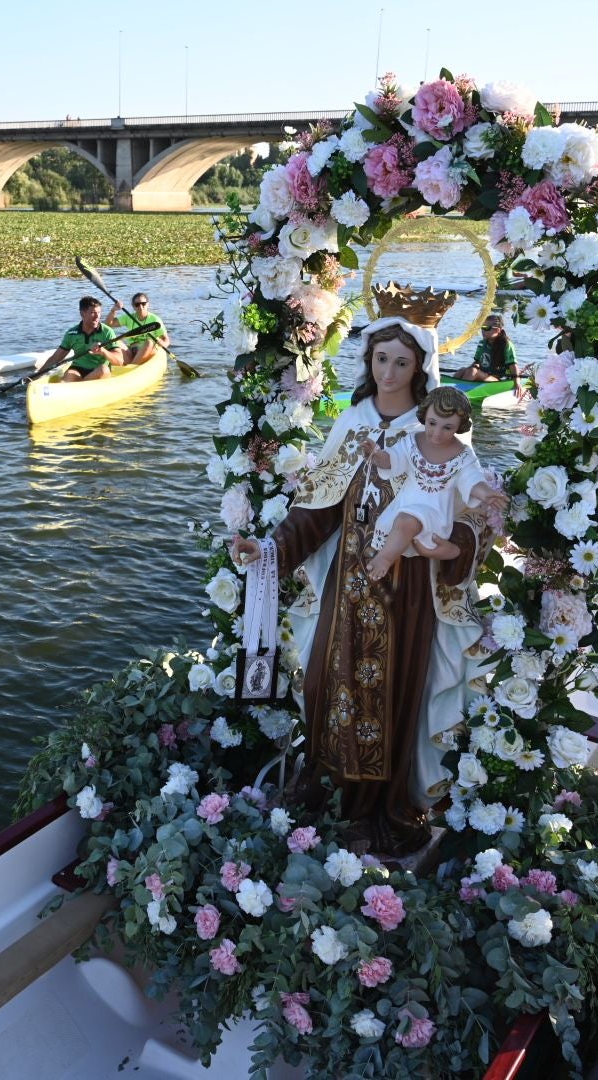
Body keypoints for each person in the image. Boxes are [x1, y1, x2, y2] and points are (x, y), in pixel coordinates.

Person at [227, 316, 497, 856]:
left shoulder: (434, 436)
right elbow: (317, 510)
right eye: (381, 359)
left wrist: (456, 544)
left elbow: (470, 511)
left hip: (407, 593)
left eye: (402, 361)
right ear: (367, 361)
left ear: (420, 367)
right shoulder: (351, 424)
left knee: (391, 694)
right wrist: (271, 549)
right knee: (328, 687)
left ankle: (380, 807)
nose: (389, 371)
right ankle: (329, 790)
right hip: (345, 588)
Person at [361, 385, 506, 580]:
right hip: (406, 503)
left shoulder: (462, 455)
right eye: (432, 423)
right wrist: (378, 456)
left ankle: (385, 558)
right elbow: (394, 459)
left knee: (406, 521)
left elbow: (471, 478)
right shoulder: (411, 441)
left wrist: (484, 492)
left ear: (459, 427)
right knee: (401, 521)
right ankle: (444, 552)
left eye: (447, 427)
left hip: (435, 513)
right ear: (424, 417)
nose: (437, 433)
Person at [39, 296, 126, 382]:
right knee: (69, 374)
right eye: (93, 312)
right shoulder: (71, 333)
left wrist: (103, 351)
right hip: (78, 369)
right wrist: (37, 376)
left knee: (103, 370)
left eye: (99, 312)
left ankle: (78, 386)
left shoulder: (107, 332)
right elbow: (56, 358)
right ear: (82, 314)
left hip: (98, 370)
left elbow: (120, 361)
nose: (97, 317)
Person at [105, 292, 170, 364]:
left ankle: (131, 366)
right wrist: (113, 310)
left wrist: (162, 344)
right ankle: (130, 363)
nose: (141, 307)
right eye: (137, 304)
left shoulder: (155, 320)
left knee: (149, 342)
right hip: (132, 350)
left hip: (148, 350)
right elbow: (109, 324)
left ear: (148, 304)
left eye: (143, 303)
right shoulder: (129, 317)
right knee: (115, 342)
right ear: (133, 306)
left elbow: (166, 340)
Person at [451, 314, 517, 382]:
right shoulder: (482, 343)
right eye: (482, 327)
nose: (483, 331)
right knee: (462, 370)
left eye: (486, 328)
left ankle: (459, 390)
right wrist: (467, 371)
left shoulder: (507, 345)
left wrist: (517, 383)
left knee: (473, 371)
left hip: (498, 379)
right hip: (484, 375)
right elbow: (477, 362)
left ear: (497, 330)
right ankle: (450, 388)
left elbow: (513, 365)